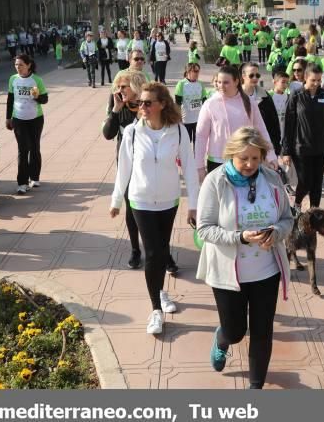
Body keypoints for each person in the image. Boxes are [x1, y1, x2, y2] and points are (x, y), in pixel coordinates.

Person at [196, 126, 293, 389]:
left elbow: (287, 219)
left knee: (262, 332)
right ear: (231, 156)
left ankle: (255, 388)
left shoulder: (272, 179)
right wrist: (239, 237)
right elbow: (204, 228)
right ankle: (222, 339)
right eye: (244, 158)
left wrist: (276, 232)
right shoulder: (215, 181)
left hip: (267, 271)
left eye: (255, 158)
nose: (250, 164)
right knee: (236, 331)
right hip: (228, 274)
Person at [110, 82, 198, 335]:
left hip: (169, 200)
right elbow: (123, 168)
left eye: (148, 103)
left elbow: (190, 168)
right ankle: (156, 310)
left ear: (162, 104)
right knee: (152, 252)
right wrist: (117, 200)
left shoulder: (179, 131)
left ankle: (159, 291)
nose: (142, 107)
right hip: (140, 200)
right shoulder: (132, 132)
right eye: (140, 103)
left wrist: (193, 204)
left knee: (161, 250)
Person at [195, 65, 278, 181]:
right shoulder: (210, 104)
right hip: (217, 162)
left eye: (226, 82)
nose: (221, 86)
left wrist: (271, 155)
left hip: (245, 161)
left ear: (236, 81)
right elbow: (201, 136)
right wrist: (199, 166)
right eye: (219, 82)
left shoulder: (249, 102)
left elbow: (261, 130)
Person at [102, 70, 150, 270]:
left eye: (124, 87)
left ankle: (157, 250)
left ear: (136, 87)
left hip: (148, 164)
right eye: (118, 87)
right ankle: (135, 250)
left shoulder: (147, 106)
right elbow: (107, 134)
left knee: (150, 207)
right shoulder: (118, 106)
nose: (119, 90)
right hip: (127, 164)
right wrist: (115, 111)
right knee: (131, 208)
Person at [282, 64, 324, 210]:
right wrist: (286, 151)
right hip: (301, 148)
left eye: (319, 80)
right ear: (305, 78)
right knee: (305, 181)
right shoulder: (296, 96)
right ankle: (297, 203)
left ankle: (314, 212)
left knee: (317, 183)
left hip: (321, 148)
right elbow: (288, 125)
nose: (316, 84)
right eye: (313, 80)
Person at [6, 55, 48, 194]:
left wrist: (37, 97)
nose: (18, 67)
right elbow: (10, 99)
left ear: (29, 65)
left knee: (34, 147)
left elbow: (45, 99)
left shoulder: (36, 80)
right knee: (23, 150)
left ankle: (34, 177)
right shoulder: (13, 79)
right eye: (16, 65)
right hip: (18, 119)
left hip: (35, 119)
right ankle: (22, 183)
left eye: (21, 65)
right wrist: (8, 118)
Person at [241, 63, 282, 156]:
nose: (255, 78)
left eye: (257, 75)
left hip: (261, 145)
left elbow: (274, 122)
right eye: (251, 75)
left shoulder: (265, 96)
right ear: (243, 76)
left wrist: (276, 145)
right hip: (241, 145)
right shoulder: (236, 96)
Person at [175, 63, 207, 144]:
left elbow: (205, 102)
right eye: (195, 71)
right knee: (186, 143)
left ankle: (197, 157)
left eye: (198, 71)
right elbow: (177, 103)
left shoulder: (200, 84)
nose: (197, 73)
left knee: (198, 142)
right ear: (188, 71)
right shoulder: (181, 84)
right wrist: (178, 118)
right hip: (186, 119)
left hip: (198, 119)